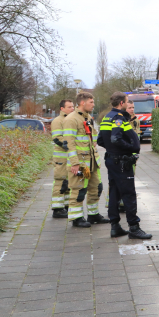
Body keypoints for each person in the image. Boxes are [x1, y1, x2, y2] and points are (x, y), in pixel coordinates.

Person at [97, 92, 152, 239]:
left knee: (114, 192)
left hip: (111, 159)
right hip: (121, 161)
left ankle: (115, 226)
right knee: (129, 194)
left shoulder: (107, 117)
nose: (128, 105)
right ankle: (134, 227)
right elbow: (116, 138)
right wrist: (130, 148)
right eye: (127, 102)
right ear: (121, 103)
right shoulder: (118, 118)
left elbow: (101, 141)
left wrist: (113, 150)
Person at [64, 92, 110, 228]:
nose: (93, 104)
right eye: (91, 102)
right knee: (79, 190)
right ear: (82, 103)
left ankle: (93, 214)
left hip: (92, 162)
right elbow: (69, 143)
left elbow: (92, 138)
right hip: (81, 163)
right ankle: (76, 218)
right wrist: (75, 163)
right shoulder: (71, 119)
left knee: (96, 188)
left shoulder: (88, 117)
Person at [50, 99, 74, 218]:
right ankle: (57, 209)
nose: (72, 109)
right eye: (69, 107)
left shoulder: (71, 120)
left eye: (73, 106)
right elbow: (57, 138)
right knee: (60, 181)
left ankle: (66, 206)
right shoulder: (58, 121)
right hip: (61, 157)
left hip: (70, 157)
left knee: (69, 182)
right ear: (62, 108)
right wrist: (70, 145)